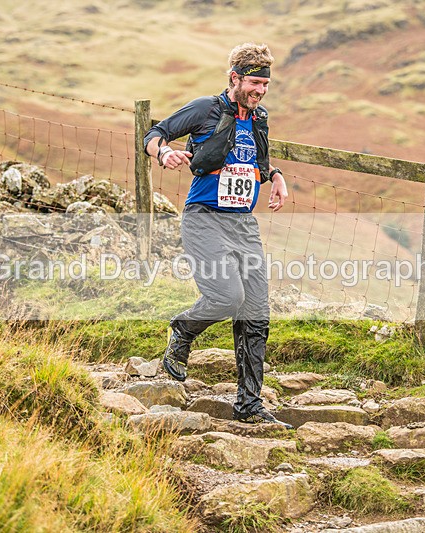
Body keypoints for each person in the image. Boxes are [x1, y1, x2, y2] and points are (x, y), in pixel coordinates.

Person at [144, 43, 292, 429]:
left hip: (243, 225)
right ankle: (183, 330)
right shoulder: (205, 109)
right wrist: (164, 154)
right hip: (204, 219)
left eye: (265, 85)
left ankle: (249, 405)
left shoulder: (259, 118)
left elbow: (255, 164)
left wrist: (274, 178)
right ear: (234, 78)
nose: (260, 91)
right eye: (254, 83)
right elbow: (154, 133)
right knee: (228, 297)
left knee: (257, 312)